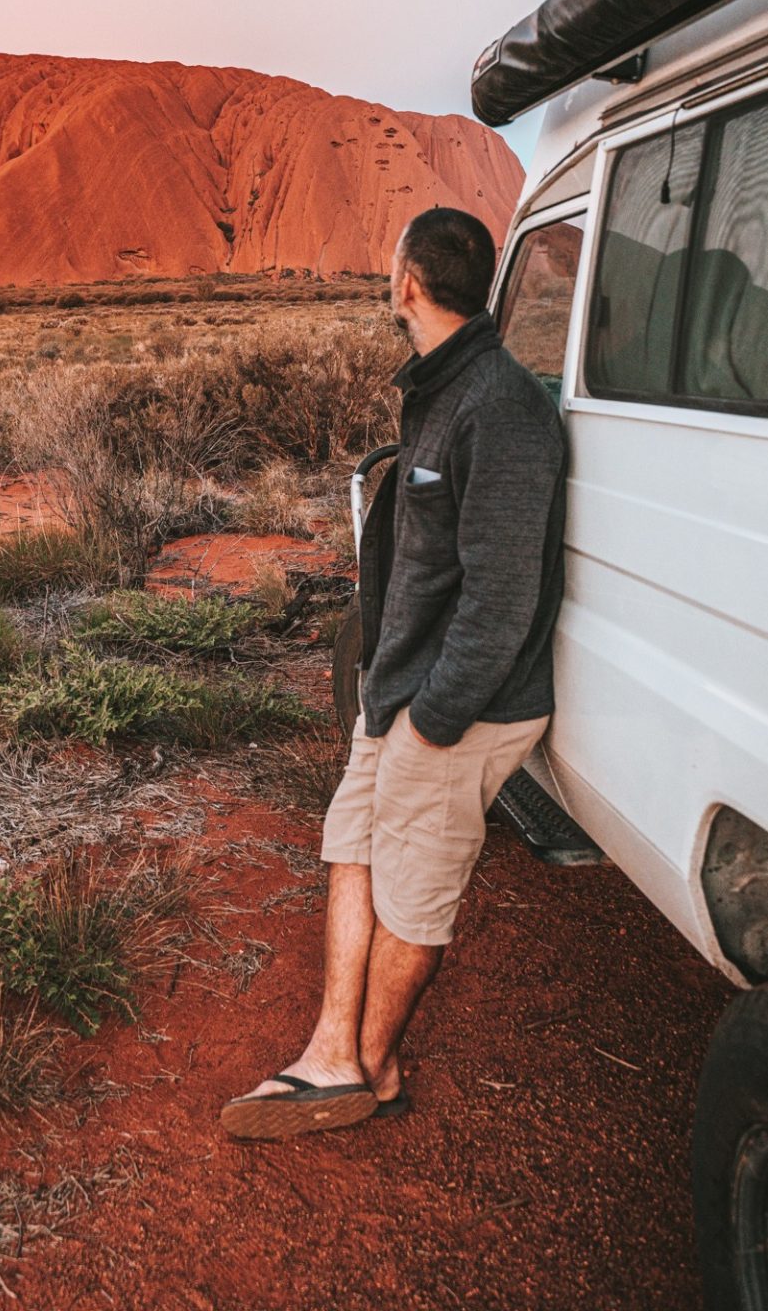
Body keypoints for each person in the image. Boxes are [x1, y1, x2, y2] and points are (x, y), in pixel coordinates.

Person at [221, 206, 567, 1140]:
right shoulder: (444, 387)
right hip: (399, 687)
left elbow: (499, 600)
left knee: (412, 886)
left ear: (406, 281)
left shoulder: (500, 407)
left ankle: (357, 1068)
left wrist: (434, 718)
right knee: (350, 845)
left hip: (454, 705)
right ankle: (342, 1049)